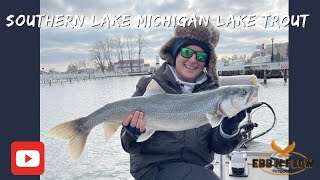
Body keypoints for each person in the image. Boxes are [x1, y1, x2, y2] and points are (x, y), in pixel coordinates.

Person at [120, 20, 246, 180]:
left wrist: (228, 129)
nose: (193, 60)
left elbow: (219, 148)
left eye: (200, 56)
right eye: (187, 53)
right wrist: (133, 134)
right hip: (154, 170)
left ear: (207, 62)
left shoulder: (213, 94)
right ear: (175, 54)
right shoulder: (148, 86)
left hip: (199, 169)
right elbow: (128, 145)